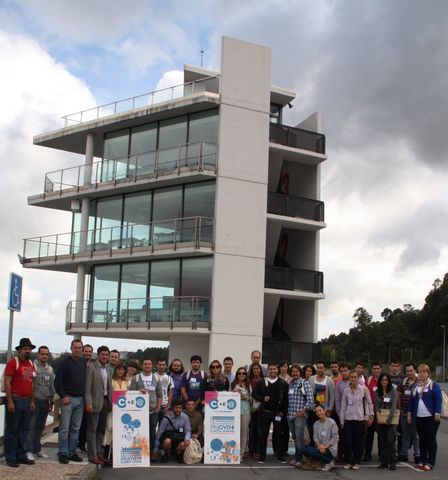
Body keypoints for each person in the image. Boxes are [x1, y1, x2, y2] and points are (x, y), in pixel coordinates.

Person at [3, 337, 36, 468]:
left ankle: (21, 455)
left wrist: (32, 401)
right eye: (25, 349)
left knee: (24, 430)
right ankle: (10, 457)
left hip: (27, 400)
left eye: (29, 349)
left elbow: (33, 383)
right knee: (12, 430)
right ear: (19, 350)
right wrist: (10, 401)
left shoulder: (31, 364)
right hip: (15, 399)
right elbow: (7, 382)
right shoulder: (13, 363)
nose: (27, 351)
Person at [54, 339, 86, 464]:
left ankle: (72, 452)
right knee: (64, 428)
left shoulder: (83, 362)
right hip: (68, 399)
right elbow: (57, 382)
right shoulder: (65, 362)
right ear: (71, 348)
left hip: (80, 400)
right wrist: (63, 396)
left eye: (80, 348)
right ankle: (63, 453)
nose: (78, 350)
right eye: (75, 347)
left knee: (75, 428)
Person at [407, 363, 442, 471]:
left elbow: (438, 399)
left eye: (424, 372)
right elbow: (412, 400)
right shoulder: (417, 386)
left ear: (428, 373)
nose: (421, 374)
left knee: (430, 440)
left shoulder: (433, 385)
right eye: (420, 372)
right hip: (419, 417)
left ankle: (430, 462)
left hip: (430, 417)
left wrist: (437, 413)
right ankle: (422, 460)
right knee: (421, 440)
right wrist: (409, 413)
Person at [252, 362, 288, 464]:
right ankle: (262, 457)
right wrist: (263, 398)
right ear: (268, 370)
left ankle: (279, 456)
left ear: (278, 370)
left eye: (274, 369)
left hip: (278, 414)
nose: (273, 371)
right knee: (263, 435)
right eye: (271, 369)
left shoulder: (283, 383)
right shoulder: (262, 382)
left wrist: (282, 411)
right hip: (265, 412)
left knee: (278, 435)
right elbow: (254, 394)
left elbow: (286, 399)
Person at [340, 371, 373, 469]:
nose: (354, 379)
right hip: (349, 418)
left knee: (358, 441)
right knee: (348, 441)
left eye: (355, 377)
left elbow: (369, 402)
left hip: (360, 419)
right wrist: (342, 421)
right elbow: (343, 406)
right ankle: (348, 461)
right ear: (350, 378)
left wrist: (370, 415)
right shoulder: (346, 391)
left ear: (358, 378)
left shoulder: (363, 389)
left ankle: (357, 461)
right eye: (352, 377)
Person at [130, 357, 162, 457]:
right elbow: (131, 393)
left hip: (153, 411)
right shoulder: (136, 378)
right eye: (145, 364)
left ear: (152, 366)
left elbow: (159, 395)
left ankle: (150, 453)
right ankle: (139, 453)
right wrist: (139, 392)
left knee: (152, 433)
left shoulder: (156, 378)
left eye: (149, 364)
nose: (147, 366)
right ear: (142, 366)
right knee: (139, 432)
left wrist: (158, 408)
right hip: (139, 411)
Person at [85, 345, 112, 465]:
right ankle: (92, 455)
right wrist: (89, 403)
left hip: (106, 402)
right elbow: (87, 388)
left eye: (107, 355)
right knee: (92, 430)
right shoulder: (91, 367)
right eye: (103, 354)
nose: (105, 357)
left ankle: (100, 454)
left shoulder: (108, 369)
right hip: (95, 403)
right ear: (98, 355)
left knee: (101, 430)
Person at [29, 345, 55, 459]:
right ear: (38, 354)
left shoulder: (49, 369)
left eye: (46, 354)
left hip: (45, 402)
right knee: (31, 427)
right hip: (34, 401)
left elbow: (51, 386)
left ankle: (37, 449)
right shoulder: (32, 366)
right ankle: (28, 450)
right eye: (42, 354)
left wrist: (51, 401)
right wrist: (32, 401)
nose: (44, 356)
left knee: (40, 428)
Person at [287, 364, 313, 466]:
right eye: (293, 372)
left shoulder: (304, 383)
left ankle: (299, 459)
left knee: (299, 437)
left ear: (300, 372)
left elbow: (311, 401)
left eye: (296, 371)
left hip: (300, 415)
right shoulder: (290, 384)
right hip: (290, 415)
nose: (294, 373)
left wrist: (303, 411)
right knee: (295, 437)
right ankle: (299, 456)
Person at [102, 362, 130, 459]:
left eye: (122, 369)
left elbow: (131, 395)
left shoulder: (127, 383)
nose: (120, 371)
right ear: (115, 370)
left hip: (123, 412)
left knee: (121, 431)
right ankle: (106, 455)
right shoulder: (111, 381)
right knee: (109, 429)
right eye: (118, 369)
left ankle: (117, 456)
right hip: (112, 409)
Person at [303, 404, 339, 471]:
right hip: (320, 448)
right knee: (304, 449)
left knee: (311, 452)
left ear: (324, 411)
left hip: (330, 449)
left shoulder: (332, 422)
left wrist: (325, 447)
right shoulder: (316, 424)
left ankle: (329, 462)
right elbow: (315, 437)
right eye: (317, 412)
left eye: (320, 411)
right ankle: (323, 460)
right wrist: (319, 446)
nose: (319, 413)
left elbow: (334, 437)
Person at [374, 373, 398, 470]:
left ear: (388, 381)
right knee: (382, 441)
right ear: (380, 381)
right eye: (382, 380)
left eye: (386, 380)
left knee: (390, 441)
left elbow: (393, 406)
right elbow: (376, 406)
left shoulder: (393, 391)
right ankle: (384, 462)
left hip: (391, 420)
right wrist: (378, 418)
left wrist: (389, 420)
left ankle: (392, 463)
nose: (384, 382)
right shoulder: (376, 392)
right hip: (380, 419)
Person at [308, 361, 335, 446]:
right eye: (318, 368)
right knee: (312, 431)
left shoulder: (329, 381)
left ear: (325, 369)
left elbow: (332, 397)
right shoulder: (311, 379)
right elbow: (308, 394)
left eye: (321, 368)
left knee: (323, 432)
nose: (319, 370)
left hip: (324, 411)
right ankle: (312, 452)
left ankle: (322, 451)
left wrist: (329, 410)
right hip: (313, 410)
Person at [397, 363, 419, 463]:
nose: (409, 373)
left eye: (411, 371)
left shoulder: (419, 382)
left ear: (415, 371)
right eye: (407, 371)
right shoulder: (403, 381)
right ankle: (404, 454)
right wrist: (400, 408)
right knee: (405, 434)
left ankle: (417, 454)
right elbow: (399, 395)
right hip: (404, 412)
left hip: (416, 413)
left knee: (415, 435)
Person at [364, 361, 382, 461]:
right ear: (372, 370)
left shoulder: (384, 379)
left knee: (381, 434)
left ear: (381, 369)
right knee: (369, 434)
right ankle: (367, 454)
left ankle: (381, 453)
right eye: (374, 369)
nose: (376, 370)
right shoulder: (369, 380)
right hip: (371, 411)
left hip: (381, 411)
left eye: (378, 368)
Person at [231, 367, 251, 458]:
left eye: (243, 373)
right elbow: (227, 396)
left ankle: (241, 454)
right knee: (234, 432)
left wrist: (246, 397)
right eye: (239, 373)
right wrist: (233, 393)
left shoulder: (248, 385)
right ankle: (233, 452)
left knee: (244, 432)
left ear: (246, 375)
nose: (241, 375)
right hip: (233, 411)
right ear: (237, 374)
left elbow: (252, 399)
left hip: (245, 411)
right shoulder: (232, 384)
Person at [334, 362, 352, 460]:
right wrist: (339, 413)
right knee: (342, 435)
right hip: (342, 414)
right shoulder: (339, 384)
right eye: (341, 371)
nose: (344, 373)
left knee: (353, 436)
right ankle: (341, 454)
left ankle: (351, 454)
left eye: (345, 370)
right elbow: (337, 400)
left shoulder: (357, 382)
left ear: (350, 370)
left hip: (355, 414)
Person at [77, 344, 94, 452]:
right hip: (78, 396)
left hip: (90, 398)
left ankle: (83, 443)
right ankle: (78, 443)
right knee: (78, 423)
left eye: (89, 352)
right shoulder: (78, 364)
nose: (87, 353)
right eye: (86, 351)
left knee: (88, 423)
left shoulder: (93, 365)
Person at [248, 363, 264, 458]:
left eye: (257, 368)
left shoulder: (264, 381)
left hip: (261, 409)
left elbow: (265, 395)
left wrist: (260, 404)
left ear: (260, 370)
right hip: (250, 408)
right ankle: (251, 450)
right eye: (254, 369)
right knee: (251, 431)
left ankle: (258, 451)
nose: (255, 370)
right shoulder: (248, 381)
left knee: (259, 431)